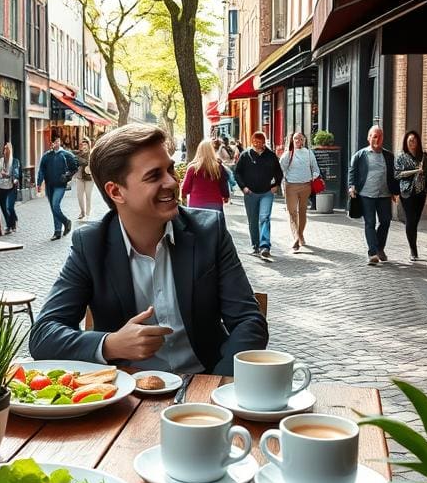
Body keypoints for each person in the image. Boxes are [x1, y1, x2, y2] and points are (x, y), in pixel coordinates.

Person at [28, 124, 268, 376]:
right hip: (125, 397)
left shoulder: (208, 232)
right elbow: (44, 335)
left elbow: (249, 322)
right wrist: (111, 344)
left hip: (203, 385)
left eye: (170, 169)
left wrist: (215, 385)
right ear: (116, 191)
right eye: (154, 176)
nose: (172, 182)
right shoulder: (90, 244)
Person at [349, 125, 400, 265]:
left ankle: (379, 248)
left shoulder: (389, 156)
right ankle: (372, 253)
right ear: (369, 138)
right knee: (370, 223)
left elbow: (393, 175)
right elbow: (352, 171)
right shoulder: (360, 155)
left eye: (380, 136)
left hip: (384, 194)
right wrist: (351, 187)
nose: (377, 139)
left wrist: (395, 192)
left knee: (385, 221)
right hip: (366, 195)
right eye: (375, 136)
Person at [234, 131, 283, 260]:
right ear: (252, 141)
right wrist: (243, 187)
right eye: (255, 141)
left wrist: (276, 185)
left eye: (260, 141)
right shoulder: (245, 155)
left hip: (267, 192)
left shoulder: (271, 156)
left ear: (264, 142)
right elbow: (237, 172)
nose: (257, 143)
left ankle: (265, 246)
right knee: (253, 220)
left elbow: (279, 172)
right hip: (250, 193)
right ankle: (255, 245)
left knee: (265, 217)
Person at [395, 130, 427, 261]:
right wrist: (414, 171)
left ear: (418, 141)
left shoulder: (424, 156)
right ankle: (413, 249)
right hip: (406, 193)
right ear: (406, 142)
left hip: (420, 193)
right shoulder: (401, 156)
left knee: (415, 221)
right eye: (410, 140)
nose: (412, 142)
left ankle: (413, 246)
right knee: (411, 220)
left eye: (414, 140)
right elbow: (397, 174)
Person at [279, 131, 321, 252]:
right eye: (296, 139)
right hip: (291, 186)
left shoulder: (309, 153)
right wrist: (281, 186)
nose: (299, 141)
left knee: (302, 212)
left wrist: (312, 177)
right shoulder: (288, 154)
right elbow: (280, 171)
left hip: (305, 186)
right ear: (292, 140)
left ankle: (300, 234)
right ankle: (296, 239)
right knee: (292, 213)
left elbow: (316, 169)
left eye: (301, 139)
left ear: (304, 140)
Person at [37, 135, 79, 241]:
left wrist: (68, 176)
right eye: (53, 142)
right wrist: (39, 183)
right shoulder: (46, 156)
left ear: (59, 142)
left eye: (56, 141)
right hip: (49, 185)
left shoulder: (66, 154)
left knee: (55, 206)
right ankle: (57, 232)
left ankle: (66, 222)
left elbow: (75, 167)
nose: (54, 144)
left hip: (60, 185)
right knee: (53, 209)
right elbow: (41, 169)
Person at [180, 139, 230, 211]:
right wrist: (226, 196)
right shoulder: (218, 168)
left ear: (199, 151)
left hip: (196, 205)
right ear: (212, 151)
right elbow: (223, 184)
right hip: (215, 204)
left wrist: (183, 197)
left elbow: (185, 189)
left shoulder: (192, 168)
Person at [0, 142, 21, 234]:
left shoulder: (15, 161)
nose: (5, 151)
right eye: (5, 149)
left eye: (7, 149)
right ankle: (9, 225)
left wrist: (14, 178)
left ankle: (13, 223)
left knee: (9, 207)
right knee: (3, 208)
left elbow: (16, 172)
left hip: (11, 187)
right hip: (0, 186)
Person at [74, 138, 94, 220]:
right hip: (80, 177)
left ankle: (87, 214)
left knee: (88, 196)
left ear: (89, 146)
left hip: (89, 178)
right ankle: (82, 212)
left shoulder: (92, 155)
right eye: (83, 145)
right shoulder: (79, 155)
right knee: (79, 196)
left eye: (86, 144)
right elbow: (75, 164)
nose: (84, 146)